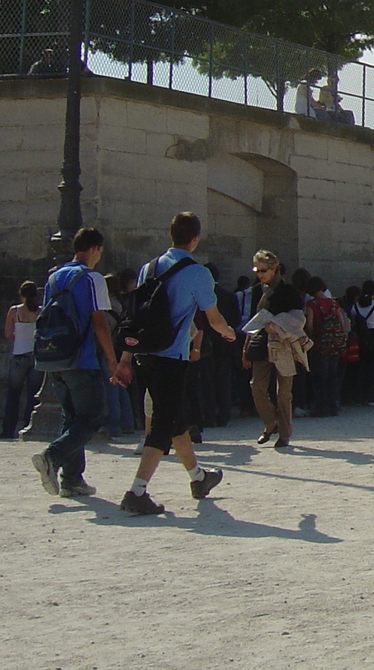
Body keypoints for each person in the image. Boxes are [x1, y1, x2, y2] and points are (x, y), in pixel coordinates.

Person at [110, 212, 237, 515]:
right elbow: (213, 316)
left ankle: (199, 478)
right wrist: (229, 333)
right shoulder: (198, 273)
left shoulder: (148, 268)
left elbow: (135, 318)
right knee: (163, 423)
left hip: (146, 355)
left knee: (176, 418)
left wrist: (126, 358)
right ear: (195, 238)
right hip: (172, 357)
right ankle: (136, 491)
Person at [28, 230, 115, 495]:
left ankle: (72, 480)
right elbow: (99, 323)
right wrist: (112, 360)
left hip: (56, 358)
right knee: (94, 417)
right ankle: (52, 456)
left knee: (73, 418)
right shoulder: (92, 279)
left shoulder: (54, 277)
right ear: (95, 249)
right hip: (82, 358)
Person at [242, 250, 308, 447]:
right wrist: (246, 347)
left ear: (274, 269)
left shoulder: (289, 290)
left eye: (264, 270)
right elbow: (253, 321)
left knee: (284, 392)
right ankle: (270, 423)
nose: (260, 274)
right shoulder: (256, 291)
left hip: (284, 344)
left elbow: (298, 319)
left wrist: (278, 325)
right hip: (261, 343)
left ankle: (285, 434)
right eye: (257, 270)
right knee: (257, 386)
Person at [1, 281, 43, 438]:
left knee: (13, 394)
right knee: (33, 394)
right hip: (35, 356)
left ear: (21, 295)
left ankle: (7, 430)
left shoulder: (14, 311)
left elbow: (7, 334)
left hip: (19, 355)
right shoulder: (41, 311)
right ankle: (28, 426)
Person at [305, 276, 346, 416]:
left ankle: (322, 408)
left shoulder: (312, 304)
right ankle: (334, 405)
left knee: (319, 377)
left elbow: (309, 325)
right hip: (334, 344)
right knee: (332, 376)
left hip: (319, 344)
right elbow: (341, 322)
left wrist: (309, 339)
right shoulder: (334, 303)